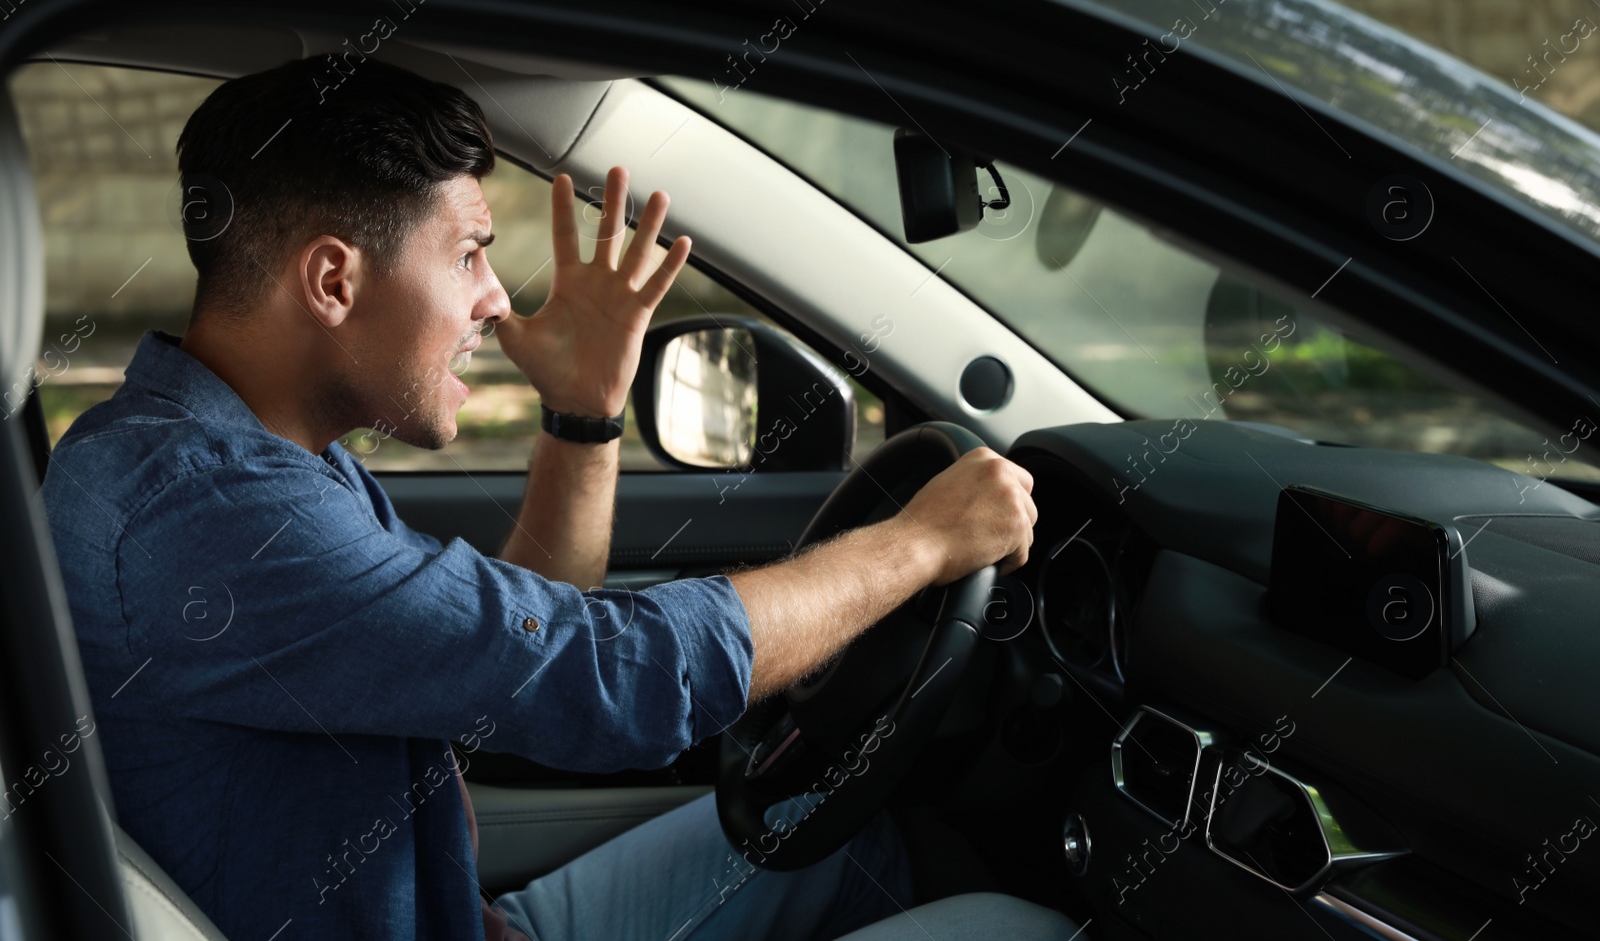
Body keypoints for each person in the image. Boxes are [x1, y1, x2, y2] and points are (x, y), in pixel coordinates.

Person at [40, 55, 1076, 940]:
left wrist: (583, 414)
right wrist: (918, 545)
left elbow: (514, 653)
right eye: (470, 252)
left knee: (849, 838)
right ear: (331, 281)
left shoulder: (200, 447)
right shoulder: (219, 515)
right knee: (1013, 930)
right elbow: (614, 675)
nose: (496, 296)